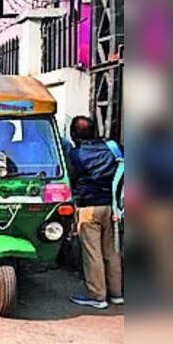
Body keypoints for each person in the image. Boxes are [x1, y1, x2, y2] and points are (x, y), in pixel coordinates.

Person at [67, 116, 123, 309]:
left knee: (93, 253)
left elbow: (71, 179)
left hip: (89, 207)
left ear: (74, 135)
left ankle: (97, 296)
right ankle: (117, 294)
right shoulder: (112, 148)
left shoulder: (76, 155)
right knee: (112, 252)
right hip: (113, 206)